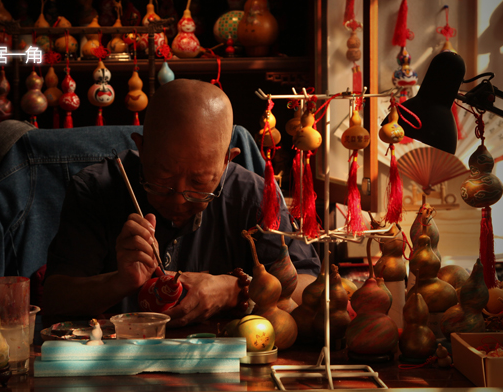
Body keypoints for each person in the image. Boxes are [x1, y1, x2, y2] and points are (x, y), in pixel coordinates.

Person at [41, 79, 319, 326]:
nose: (178, 198)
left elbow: (310, 290)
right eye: (162, 177)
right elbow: (53, 299)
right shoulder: (96, 188)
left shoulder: (254, 196)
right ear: (141, 147)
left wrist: (235, 290)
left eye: (199, 182)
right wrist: (119, 282)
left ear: (226, 161)